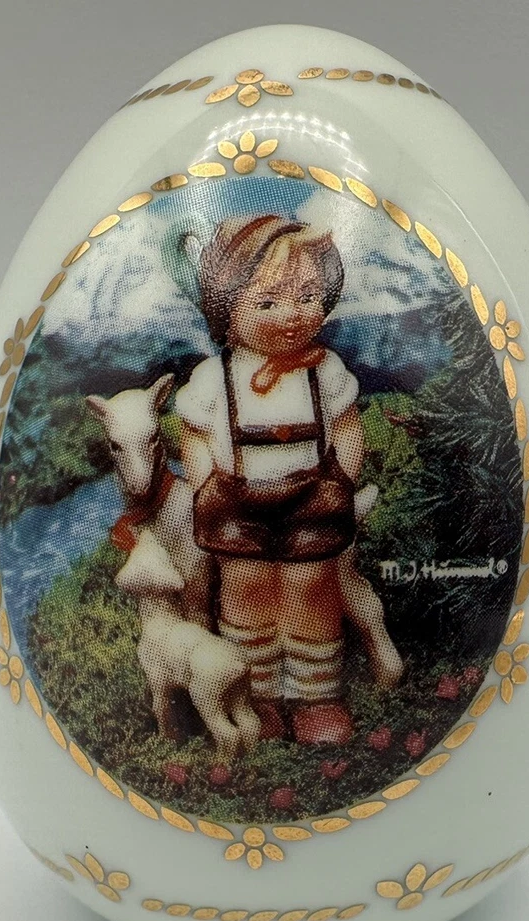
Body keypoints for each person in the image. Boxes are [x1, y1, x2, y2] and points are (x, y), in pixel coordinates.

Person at [175, 214, 365, 744]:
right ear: (226, 310)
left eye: (308, 297)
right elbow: (194, 435)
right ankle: (258, 696)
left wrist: (342, 479)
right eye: (267, 303)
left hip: (313, 497)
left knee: (311, 587)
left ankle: (315, 697)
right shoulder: (215, 378)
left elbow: (347, 427)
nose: (292, 314)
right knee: (245, 588)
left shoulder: (325, 371)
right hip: (236, 502)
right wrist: (206, 483)